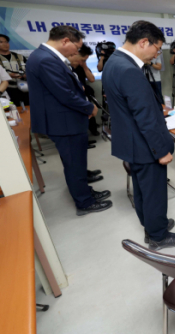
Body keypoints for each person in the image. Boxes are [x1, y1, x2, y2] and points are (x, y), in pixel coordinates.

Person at [103, 20, 175, 251]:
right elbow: (145, 117)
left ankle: (152, 224)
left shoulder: (114, 62)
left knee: (142, 190)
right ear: (143, 42)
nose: (157, 54)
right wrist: (161, 151)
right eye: (157, 48)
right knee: (154, 192)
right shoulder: (129, 69)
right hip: (144, 145)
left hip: (131, 141)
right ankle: (158, 236)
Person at [27, 25, 112, 215]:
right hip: (63, 122)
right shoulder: (45, 59)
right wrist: (89, 107)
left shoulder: (45, 57)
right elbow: (64, 94)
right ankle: (84, 202)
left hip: (66, 120)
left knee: (76, 163)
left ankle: (85, 192)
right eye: (76, 46)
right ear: (65, 40)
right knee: (74, 164)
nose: (76, 51)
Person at [67, 44, 101, 137]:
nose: (83, 61)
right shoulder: (66, 67)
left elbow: (92, 79)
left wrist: (84, 66)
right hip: (73, 96)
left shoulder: (82, 66)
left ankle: (92, 130)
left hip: (84, 93)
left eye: (85, 60)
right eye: (83, 59)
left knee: (90, 110)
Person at [0, 34, 30, 105]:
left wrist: (26, 75)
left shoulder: (20, 57)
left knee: (28, 108)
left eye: (6, 42)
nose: (5, 44)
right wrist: (9, 75)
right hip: (7, 89)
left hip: (24, 88)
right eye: (1, 42)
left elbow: (29, 69)